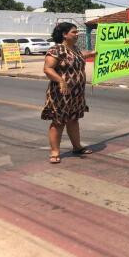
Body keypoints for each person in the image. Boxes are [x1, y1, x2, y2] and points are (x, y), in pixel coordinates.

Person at [41, 22, 96, 164]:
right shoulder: (56, 50)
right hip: (60, 94)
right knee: (58, 122)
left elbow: (80, 56)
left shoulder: (75, 49)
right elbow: (48, 69)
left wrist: (91, 53)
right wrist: (61, 80)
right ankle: (54, 152)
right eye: (74, 32)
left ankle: (77, 147)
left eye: (77, 32)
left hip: (76, 93)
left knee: (73, 119)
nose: (77, 34)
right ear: (64, 34)